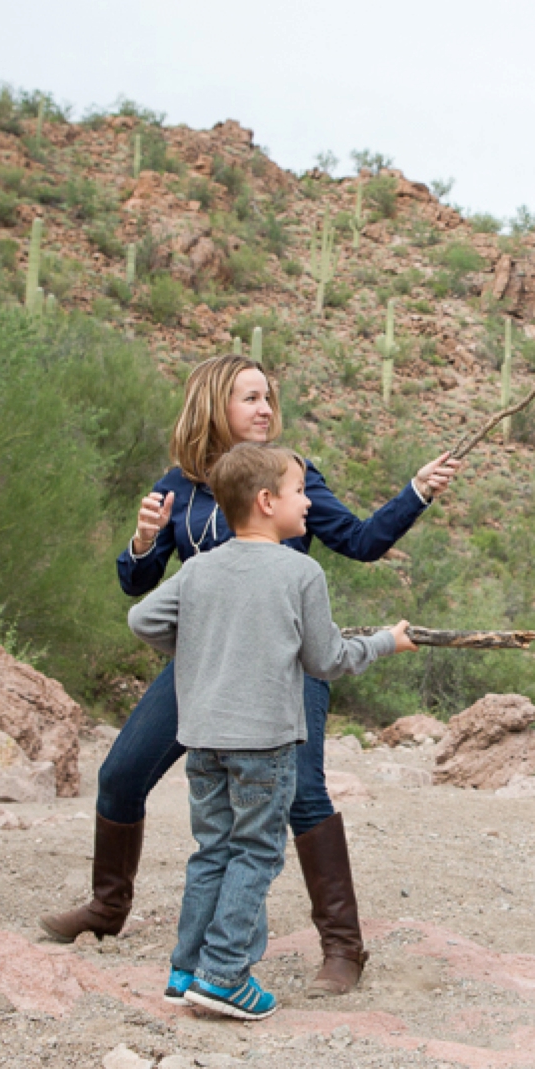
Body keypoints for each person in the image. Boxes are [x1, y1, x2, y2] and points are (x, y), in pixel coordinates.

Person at [41, 353, 459, 1000]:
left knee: (304, 791)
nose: (265, 408)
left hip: (288, 663)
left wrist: (416, 492)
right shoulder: (175, 487)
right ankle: (107, 906)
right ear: (215, 405)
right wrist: (145, 541)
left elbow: (361, 540)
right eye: (250, 397)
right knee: (121, 774)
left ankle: (343, 945)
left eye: (269, 397)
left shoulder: (294, 478)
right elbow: (139, 588)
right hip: (205, 666)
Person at [129, 444, 417, 1019]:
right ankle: (223, 976)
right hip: (263, 741)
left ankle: (185, 968)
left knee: (212, 849)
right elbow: (327, 658)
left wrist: (202, 651)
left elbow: (143, 619)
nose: (309, 501)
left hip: (203, 737)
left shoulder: (201, 568)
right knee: (256, 853)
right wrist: (388, 640)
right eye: (299, 491)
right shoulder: (299, 571)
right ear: (266, 502)